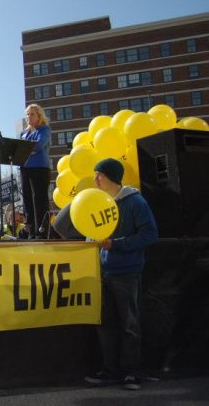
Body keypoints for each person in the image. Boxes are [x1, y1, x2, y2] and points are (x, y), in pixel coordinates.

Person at [84, 158, 158, 391]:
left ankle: (131, 373)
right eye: (96, 175)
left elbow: (150, 234)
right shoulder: (97, 202)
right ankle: (110, 371)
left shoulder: (135, 202)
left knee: (129, 324)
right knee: (106, 324)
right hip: (103, 273)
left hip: (126, 272)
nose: (95, 179)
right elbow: (91, 234)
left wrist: (116, 245)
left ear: (112, 178)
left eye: (100, 175)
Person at [19, 103, 52, 239]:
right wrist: (28, 151)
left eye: (32, 114)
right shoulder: (24, 133)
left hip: (39, 168)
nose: (29, 117)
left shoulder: (44, 129)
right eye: (27, 114)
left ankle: (42, 231)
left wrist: (28, 150)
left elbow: (38, 145)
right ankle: (31, 230)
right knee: (27, 200)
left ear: (39, 116)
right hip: (25, 169)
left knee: (39, 199)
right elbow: (19, 149)